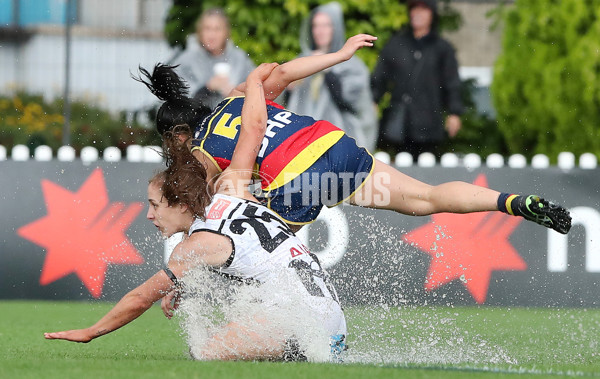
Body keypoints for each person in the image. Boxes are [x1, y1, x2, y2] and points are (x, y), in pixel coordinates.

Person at [44, 63, 346, 362]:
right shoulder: (232, 188)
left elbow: (140, 298)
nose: (149, 216)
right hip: (327, 311)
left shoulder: (198, 241)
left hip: (306, 322)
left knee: (208, 352)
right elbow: (251, 133)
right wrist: (253, 82)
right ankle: (314, 344)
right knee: (234, 321)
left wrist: (91, 332)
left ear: (183, 203)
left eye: (155, 205)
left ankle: (309, 351)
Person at [137, 34, 572, 236]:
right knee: (426, 199)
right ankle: (510, 202)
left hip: (299, 176)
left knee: (253, 248)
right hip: (335, 147)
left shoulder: (197, 150)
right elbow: (283, 72)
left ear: (177, 136)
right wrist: (341, 53)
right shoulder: (236, 97)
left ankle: (309, 323)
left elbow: (226, 179)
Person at [371, 0, 464, 159]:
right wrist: (373, 101)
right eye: (414, 9)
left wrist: (454, 112)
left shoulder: (442, 48)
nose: (417, 14)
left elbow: (452, 82)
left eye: (423, 9)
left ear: (432, 14)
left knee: (427, 168)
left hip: (430, 123)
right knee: (400, 166)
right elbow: (380, 75)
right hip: (400, 124)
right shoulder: (396, 44)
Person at [285, 2, 377, 151]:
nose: (319, 31)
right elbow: (289, 105)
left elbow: (353, 104)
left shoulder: (352, 65)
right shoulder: (301, 60)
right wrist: (289, 86)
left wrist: (324, 65)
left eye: (326, 25)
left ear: (336, 28)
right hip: (304, 144)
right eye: (316, 26)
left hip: (341, 143)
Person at [173, 7, 255, 109]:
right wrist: (207, 88)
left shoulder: (239, 59)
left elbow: (256, 90)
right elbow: (177, 100)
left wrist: (237, 94)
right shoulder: (186, 60)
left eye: (217, 29)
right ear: (200, 32)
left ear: (226, 32)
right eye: (207, 28)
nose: (212, 35)